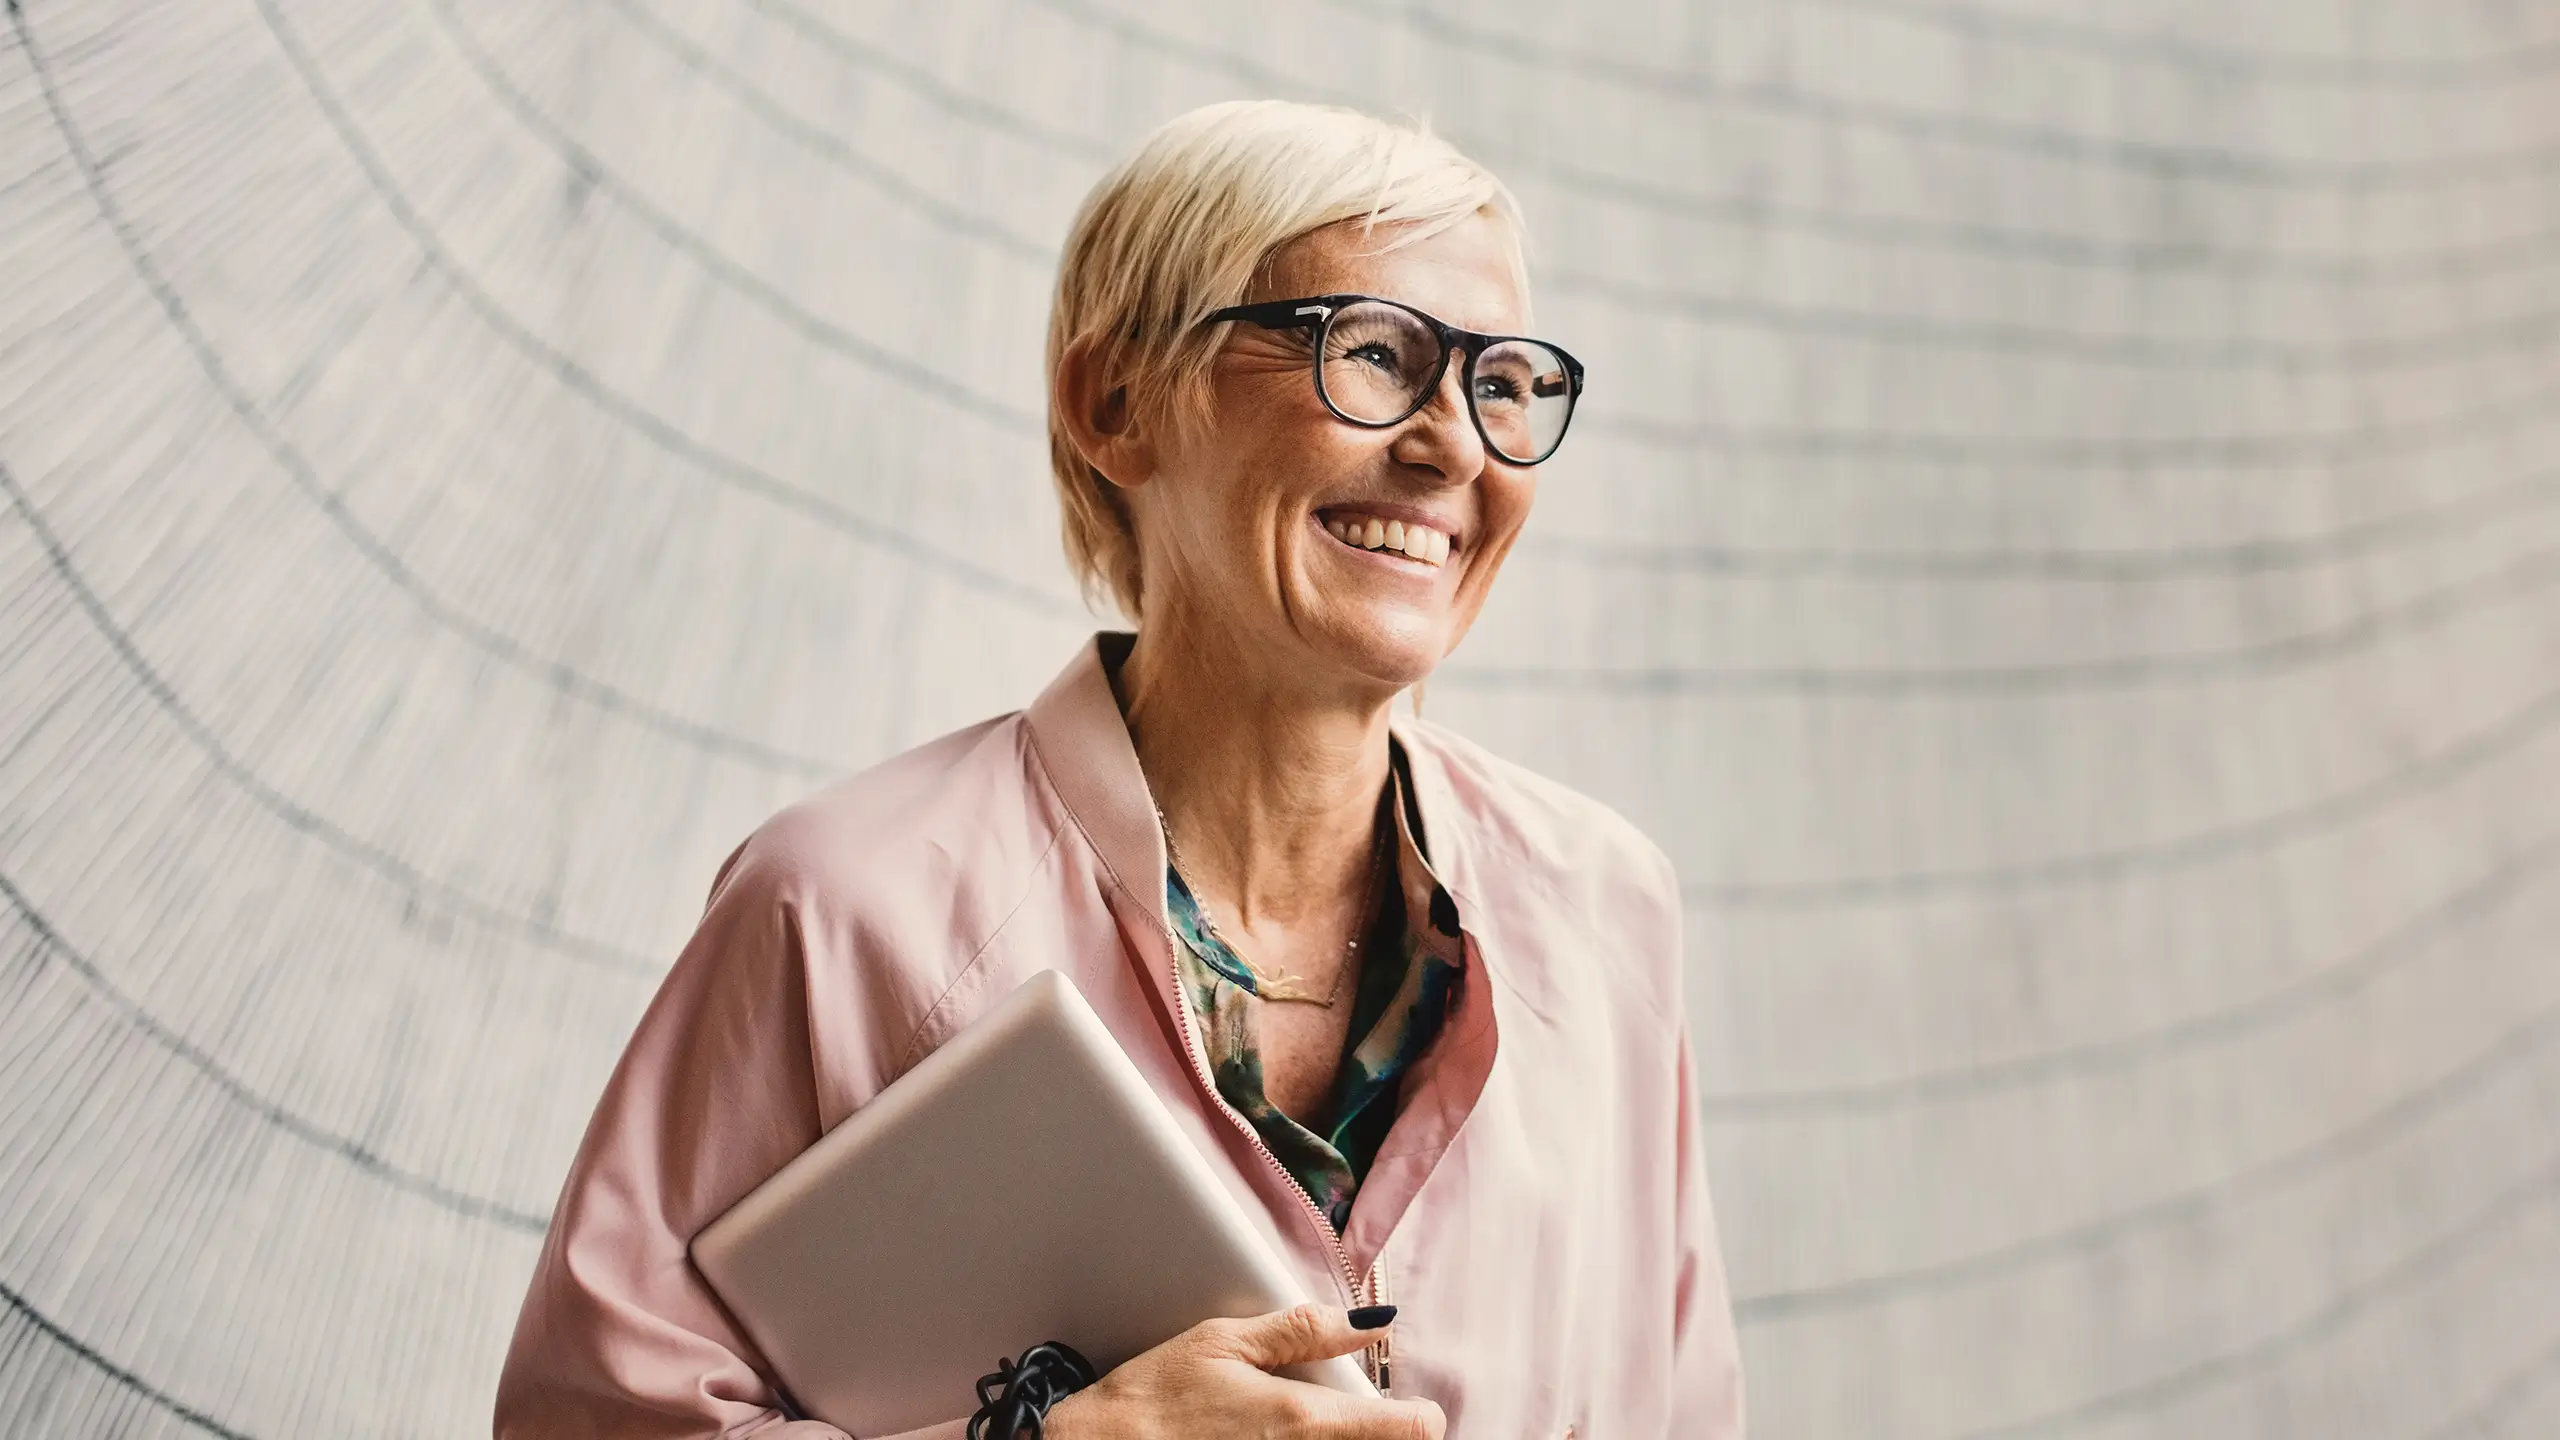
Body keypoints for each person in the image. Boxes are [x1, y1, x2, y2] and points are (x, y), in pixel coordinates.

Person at [493, 98, 1745, 1439]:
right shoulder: (841, 913)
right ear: (1117, 403)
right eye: (1374, 353)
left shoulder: (1605, 911)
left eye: (1501, 382)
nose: (1453, 445)